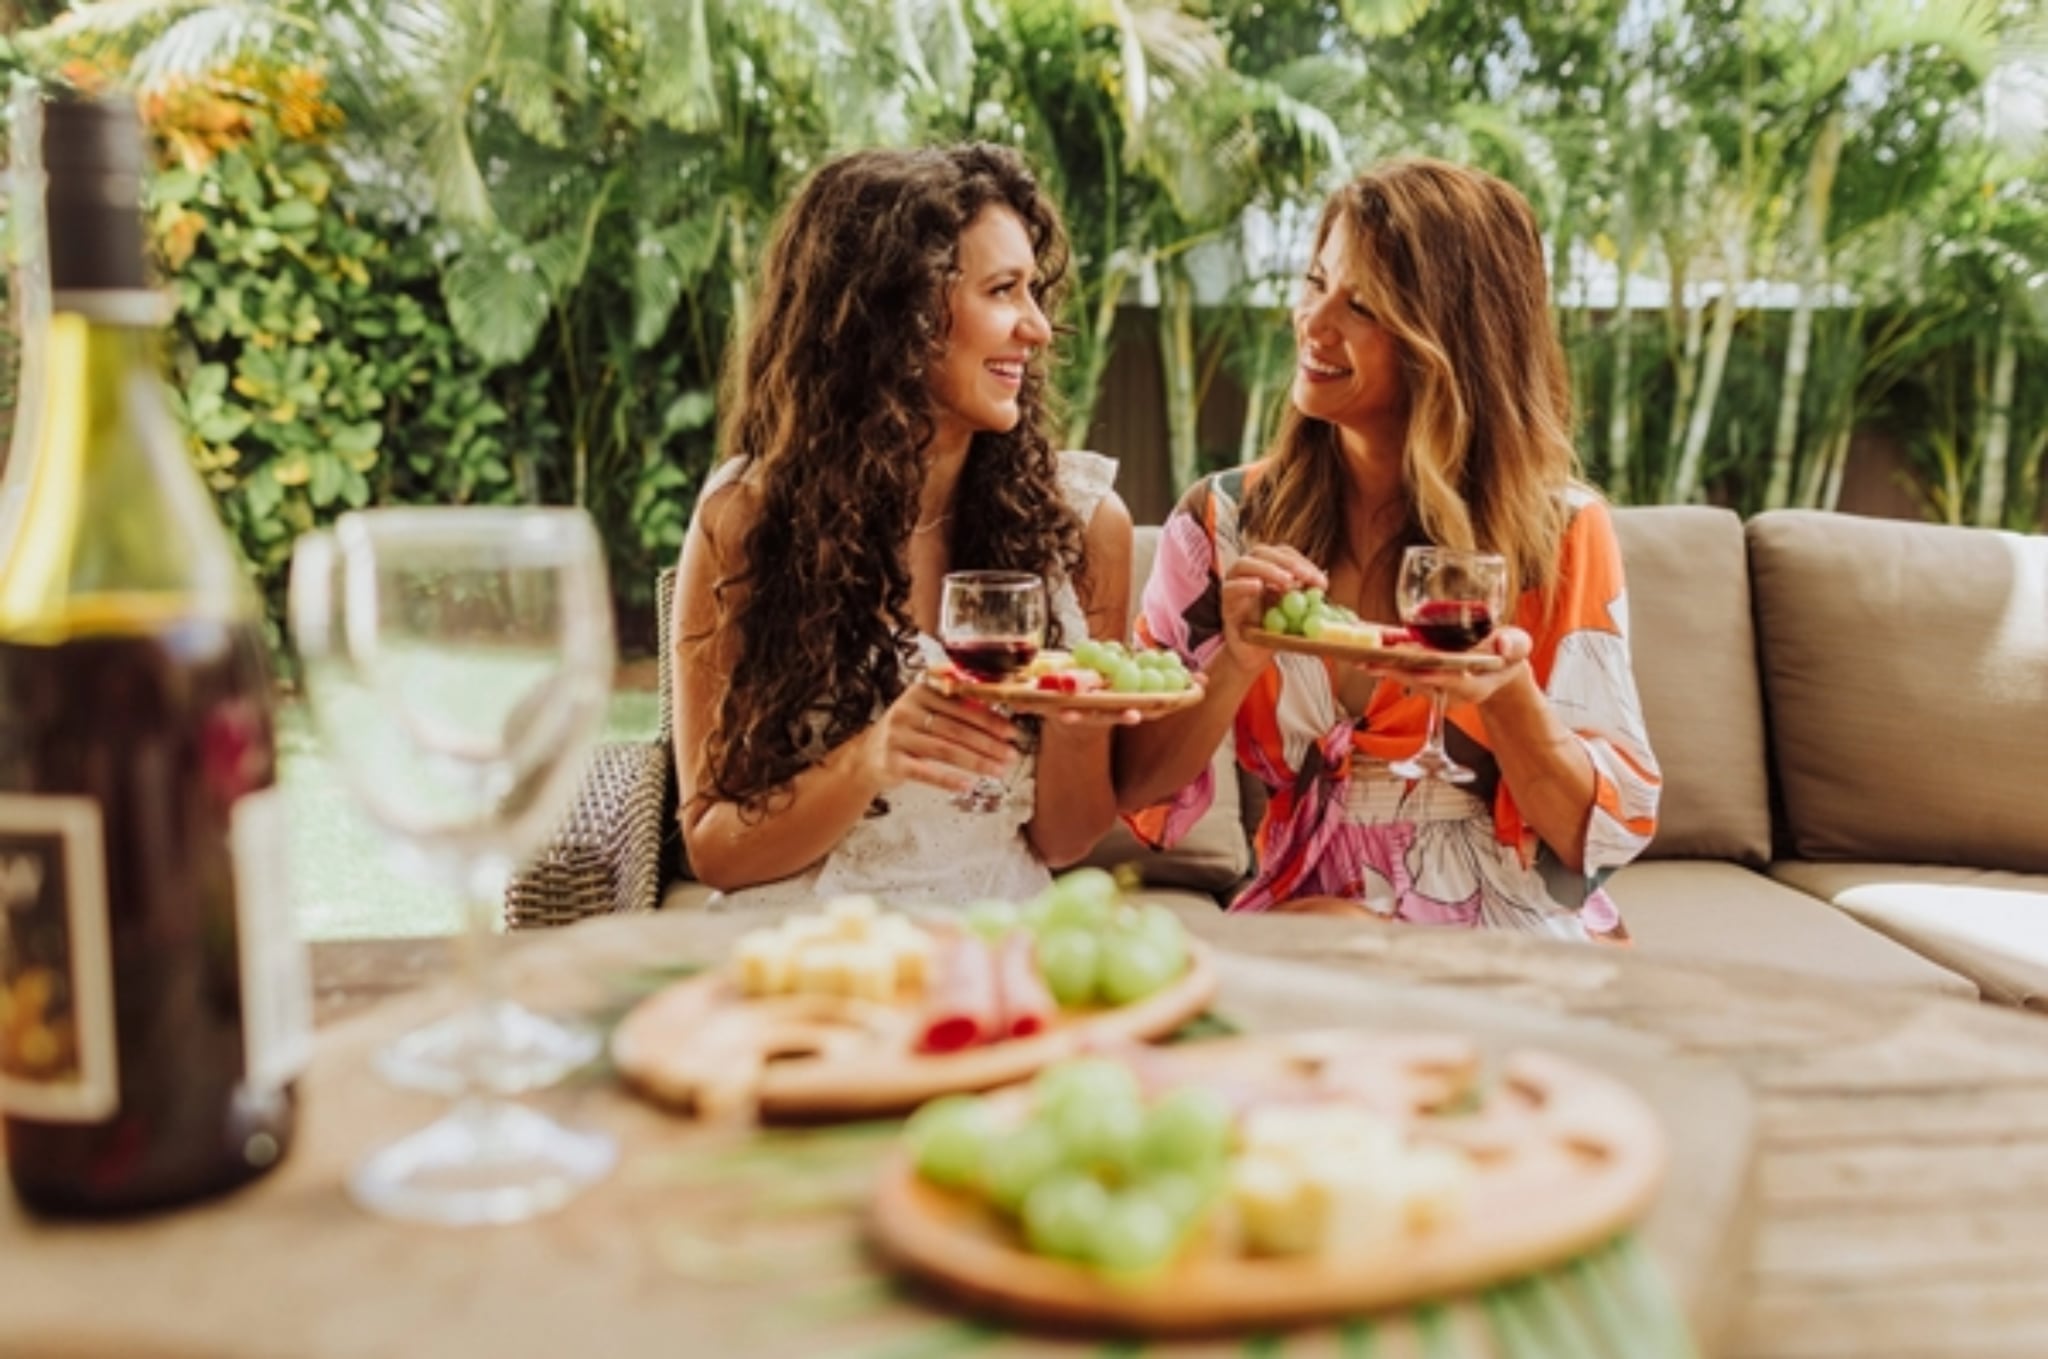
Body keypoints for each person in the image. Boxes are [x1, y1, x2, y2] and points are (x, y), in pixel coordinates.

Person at [1114, 158, 1660, 941]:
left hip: (1504, 932)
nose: (1315, 320)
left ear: (1448, 340)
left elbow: (1589, 839)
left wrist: (1505, 697)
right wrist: (1232, 660)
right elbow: (1139, 788)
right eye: (1315, 282)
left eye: (1362, 304)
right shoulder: (1222, 520)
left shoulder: (1560, 531)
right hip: (1306, 919)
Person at [672, 143, 1135, 909]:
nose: (1038, 328)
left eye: (1033, 290)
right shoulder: (749, 520)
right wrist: (870, 758)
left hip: (993, 940)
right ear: (901, 312)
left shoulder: (1080, 528)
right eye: (1003, 291)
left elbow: (1065, 839)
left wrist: (1080, 723)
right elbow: (714, 844)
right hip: (814, 945)